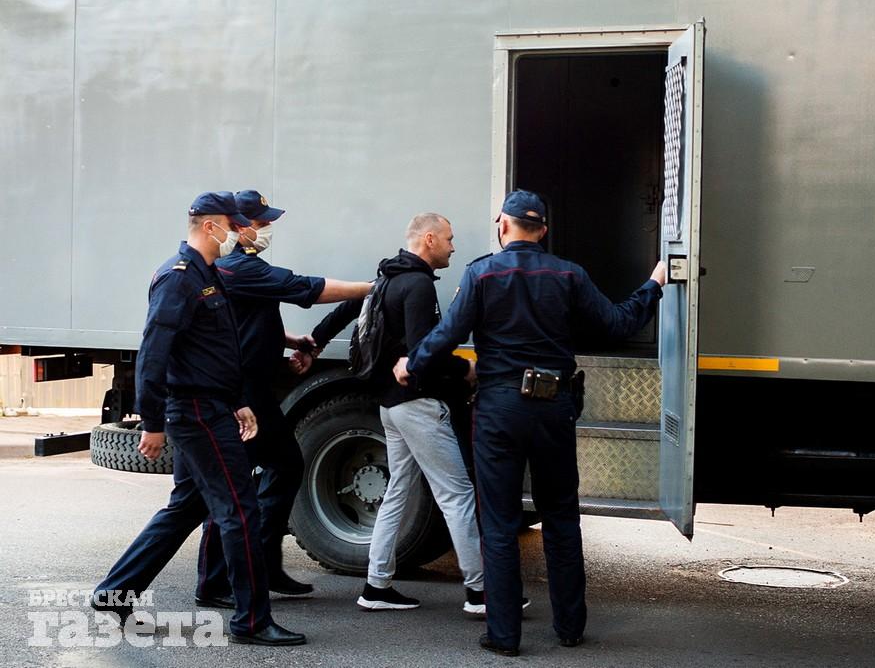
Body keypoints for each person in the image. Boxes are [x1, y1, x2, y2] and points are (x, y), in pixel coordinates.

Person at [394, 190, 667, 656]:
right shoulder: (568, 274)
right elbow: (619, 323)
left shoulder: (481, 272)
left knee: (498, 522)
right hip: (554, 408)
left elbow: (447, 334)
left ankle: (503, 635)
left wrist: (412, 365)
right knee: (561, 515)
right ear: (543, 231)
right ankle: (569, 627)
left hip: (499, 409)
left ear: (503, 225)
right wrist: (654, 284)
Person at [90, 191, 306, 646]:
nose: (243, 231)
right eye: (235, 223)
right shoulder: (179, 277)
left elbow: (216, 349)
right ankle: (251, 621)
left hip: (213, 405)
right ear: (211, 226)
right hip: (193, 411)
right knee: (239, 510)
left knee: (188, 505)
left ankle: (115, 593)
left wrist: (236, 400)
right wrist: (151, 422)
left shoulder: (208, 274)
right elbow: (154, 352)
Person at [193, 190, 372, 607]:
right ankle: (217, 582)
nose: (267, 229)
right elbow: (305, 288)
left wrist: (291, 339)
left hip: (255, 387)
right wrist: (370, 286)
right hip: (240, 393)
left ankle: (263, 566)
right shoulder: (239, 267)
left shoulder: (242, 269)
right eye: (261, 222)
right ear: (239, 226)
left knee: (280, 467)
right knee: (237, 483)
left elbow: (247, 320)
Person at [306, 213, 491, 615]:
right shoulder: (418, 284)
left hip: (390, 407)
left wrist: (314, 342)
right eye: (449, 238)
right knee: (457, 495)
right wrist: (466, 369)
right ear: (429, 239)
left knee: (396, 493)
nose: (453, 246)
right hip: (419, 404)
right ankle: (481, 593)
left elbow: (347, 310)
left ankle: (376, 586)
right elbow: (425, 352)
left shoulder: (387, 276)